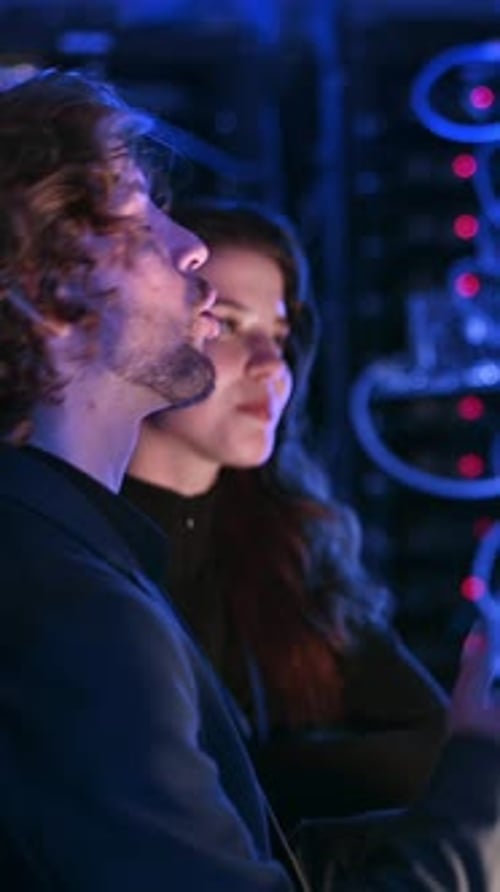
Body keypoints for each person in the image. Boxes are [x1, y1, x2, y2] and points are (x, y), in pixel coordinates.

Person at [0, 68, 500, 892]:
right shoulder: (66, 603)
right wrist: (481, 772)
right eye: (133, 206)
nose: (187, 244)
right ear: (41, 295)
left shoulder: (78, 559)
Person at [123, 201, 448, 829]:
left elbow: (432, 749)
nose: (271, 367)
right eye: (229, 323)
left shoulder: (289, 542)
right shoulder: (71, 545)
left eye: (277, 334)